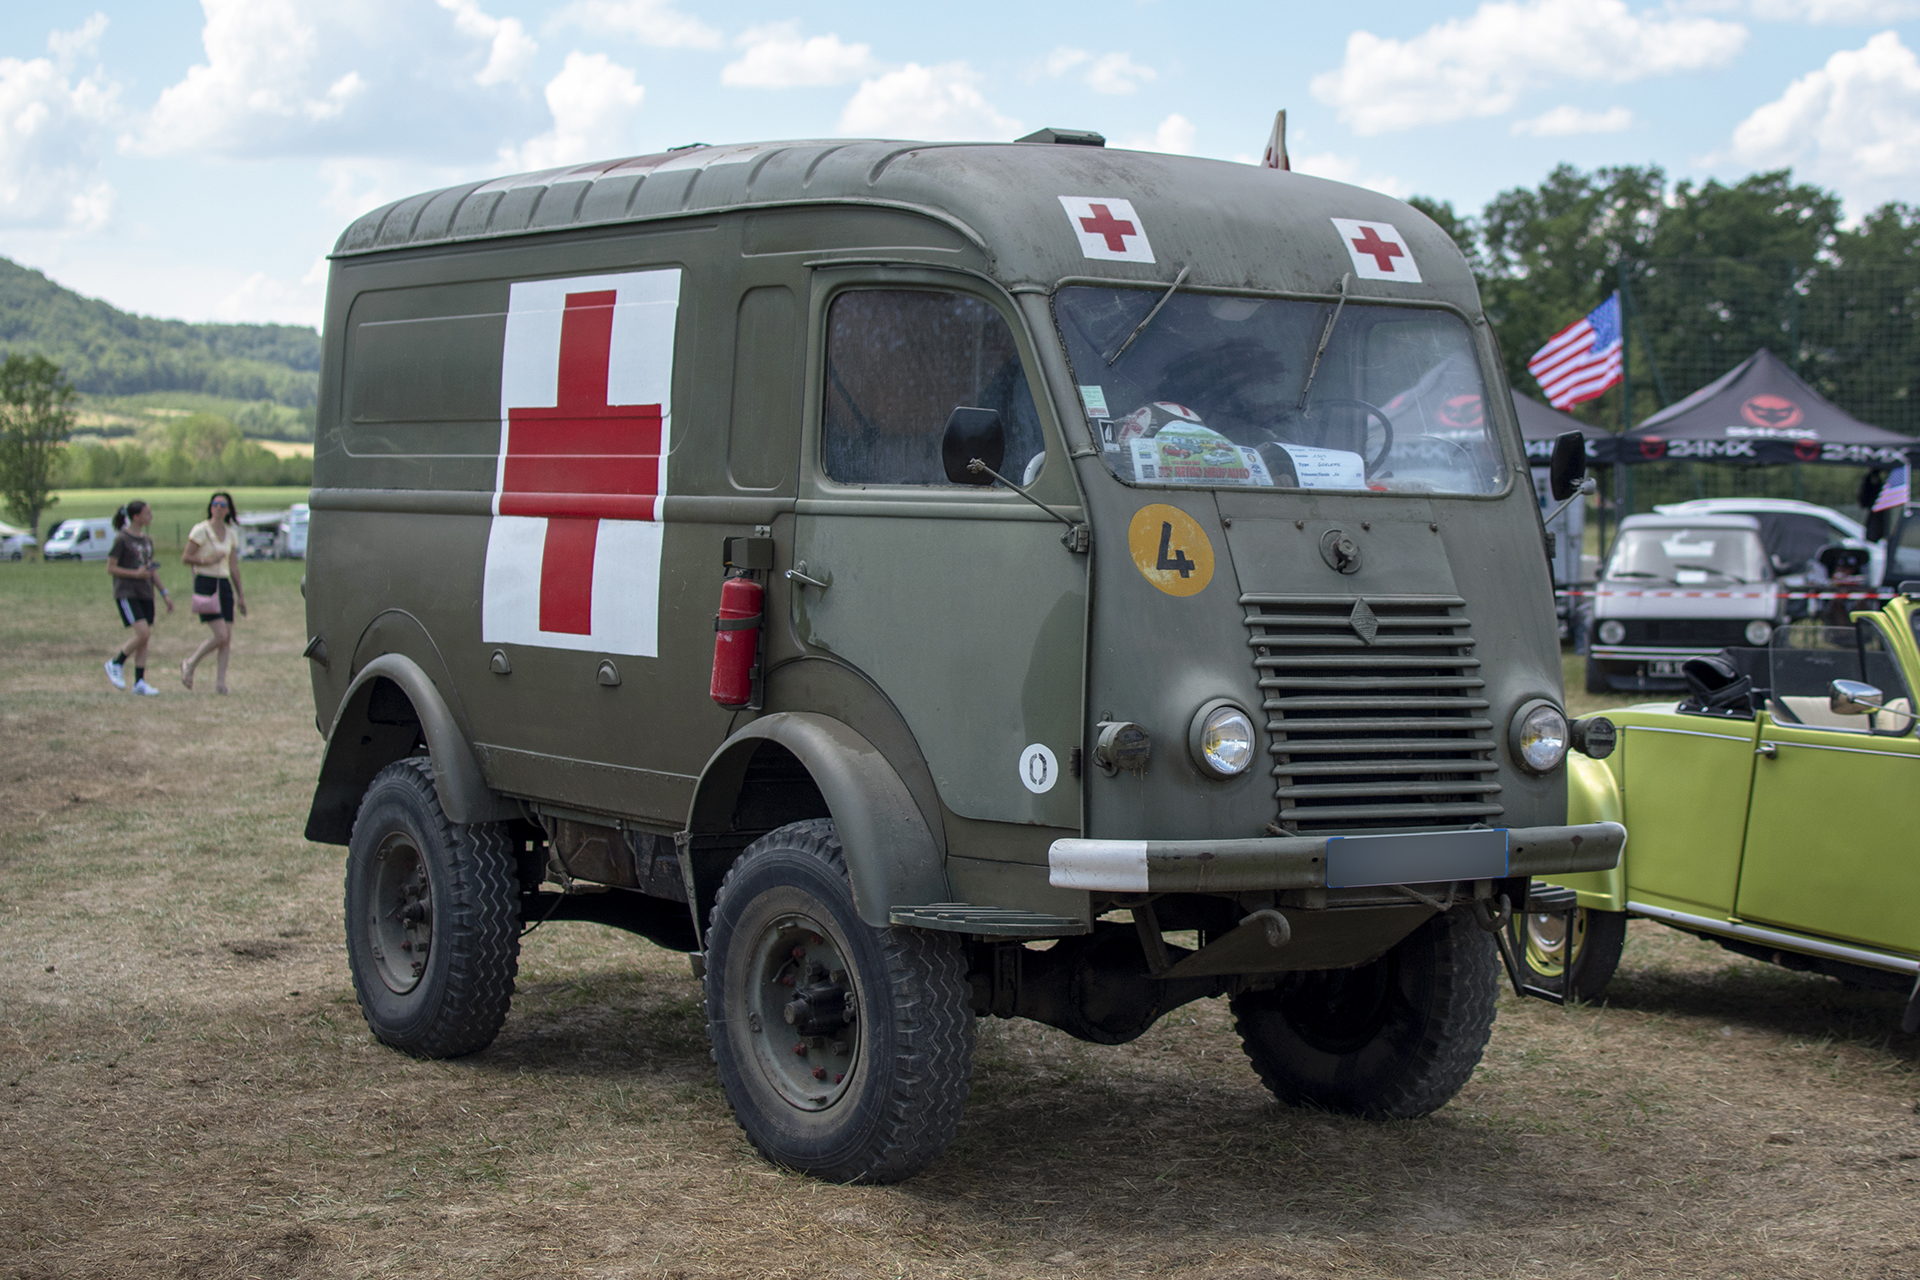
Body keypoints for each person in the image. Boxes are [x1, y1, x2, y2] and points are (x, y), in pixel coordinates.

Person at [180, 491, 248, 693]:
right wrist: (207, 561)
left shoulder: (231, 533)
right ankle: (190, 664)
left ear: (228, 510)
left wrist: (240, 595)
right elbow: (186, 557)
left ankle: (220, 682)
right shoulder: (200, 530)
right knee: (220, 635)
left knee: (227, 637)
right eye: (215, 504)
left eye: (223, 505)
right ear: (210, 507)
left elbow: (233, 566)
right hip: (206, 583)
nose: (219, 508)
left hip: (224, 584)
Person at [104, 500, 173, 696]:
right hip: (128, 592)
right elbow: (110, 568)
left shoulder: (147, 540)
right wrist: (135, 574)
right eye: (147, 513)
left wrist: (164, 593)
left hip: (146, 593)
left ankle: (140, 682)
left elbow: (150, 570)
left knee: (145, 639)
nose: (150, 516)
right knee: (141, 633)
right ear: (136, 516)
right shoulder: (122, 539)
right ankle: (116, 663)